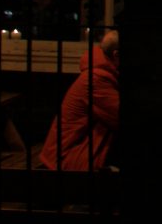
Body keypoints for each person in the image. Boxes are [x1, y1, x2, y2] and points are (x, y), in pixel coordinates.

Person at [40, 28, 120, 170]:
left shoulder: (104, 74)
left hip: (83, 152)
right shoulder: (96, 80)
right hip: (70, 158)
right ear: (116, 55)